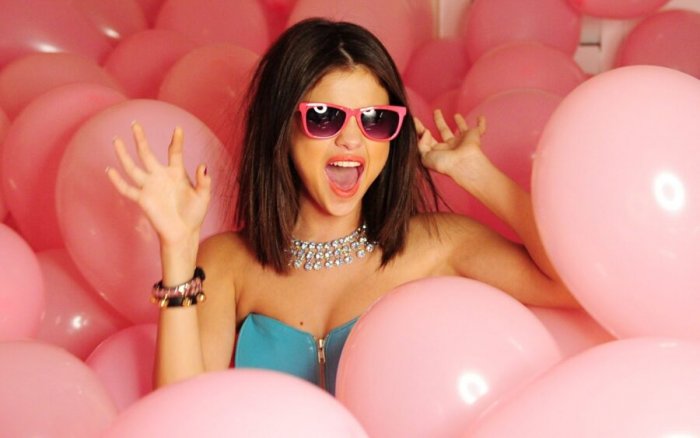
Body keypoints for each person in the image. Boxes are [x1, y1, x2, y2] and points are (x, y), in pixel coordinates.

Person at [106, 18, 578, 395]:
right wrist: (177, 250)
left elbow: (568, 283)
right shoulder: (226, 263)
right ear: (282, 128)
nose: (352, 139)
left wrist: (478, 174)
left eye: (374, 120)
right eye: (325, 117)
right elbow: (182, 413)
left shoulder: (440, 245)